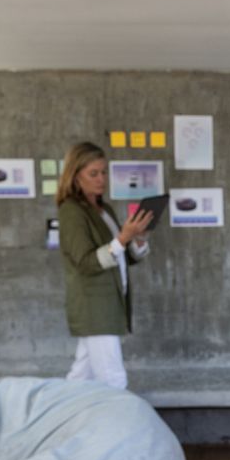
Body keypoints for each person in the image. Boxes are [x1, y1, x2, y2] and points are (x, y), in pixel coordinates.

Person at [56, 141, 153, 390]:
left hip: (110, 302)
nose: (101, 179)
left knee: (79, 379)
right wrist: (123, 238)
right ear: (76, 177)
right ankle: (118, 428)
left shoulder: (103, 209)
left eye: (104, 172)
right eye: (94, 173)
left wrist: (137, 239)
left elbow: (122, 256)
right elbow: (86, 262)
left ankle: (58, 421)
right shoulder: (72, 211)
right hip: (94, 306)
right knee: (113, 380)